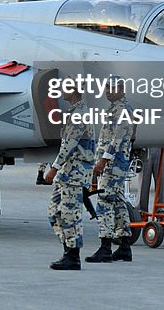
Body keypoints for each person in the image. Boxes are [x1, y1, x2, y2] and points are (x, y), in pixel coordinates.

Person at [44, 86, 96, 270]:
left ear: (73, 92)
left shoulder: (79, 114)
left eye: (66, 89)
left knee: (71, 215)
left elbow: (69, 145)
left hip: (75, 172)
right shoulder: (73, 112)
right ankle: (68, 248)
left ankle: (73, 256)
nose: (62, 92)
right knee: (54, 213)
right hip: (67, 172)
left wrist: (53, 168)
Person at [86, 78, 135, 263]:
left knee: (105, 202)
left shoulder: (123, 110)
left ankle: (105, 247)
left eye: (112, 88)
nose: (108, 91)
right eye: (106, 88)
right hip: (113, 164)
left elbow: (117, 139)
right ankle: (124, 247)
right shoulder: (115, 108)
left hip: (113, 164)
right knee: (118, 203)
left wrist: (102, 161)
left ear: (122, 89)